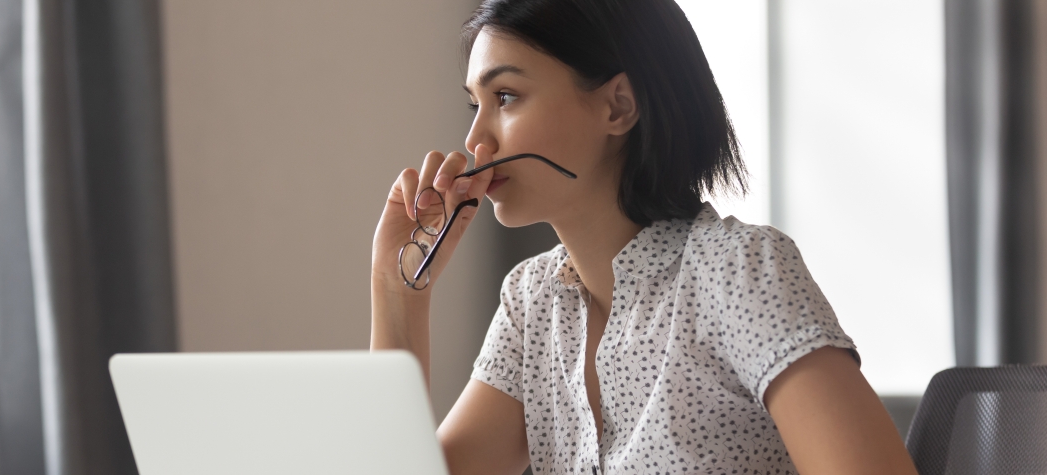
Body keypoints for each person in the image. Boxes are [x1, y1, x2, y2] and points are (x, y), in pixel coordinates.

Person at [370, 0, 918, 473]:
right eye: (475, 104)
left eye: (506, 97)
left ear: (618, 106)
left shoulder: (739, 271)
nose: (476, 139)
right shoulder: (531, 304)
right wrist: (397, 292)